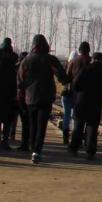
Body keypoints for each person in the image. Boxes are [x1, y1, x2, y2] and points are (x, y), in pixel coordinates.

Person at [18, 34, 65, 164]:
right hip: (46, 97)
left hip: (30, 97)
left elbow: (20, 80)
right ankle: (37, 151)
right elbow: (61, 74)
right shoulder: (50, 60)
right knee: (41, 125)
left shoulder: (26, 61)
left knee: (32, 124)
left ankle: (33, 148)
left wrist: (23, 90)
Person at [69, 51, 102, 159]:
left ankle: (74, 148)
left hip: (81, 101)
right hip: (95, 103)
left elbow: (75, 84)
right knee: (92, 128)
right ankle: (90, 152)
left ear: (92, 59)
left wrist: (78, 94)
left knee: (78, 126)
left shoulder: (84, 70)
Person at [59, 41, 90, 143]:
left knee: (67, 115)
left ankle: (65, 136)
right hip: (79, 94)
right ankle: (77, 138)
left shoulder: (72, 62)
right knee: (76, 117)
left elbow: (66, 79)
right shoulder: (88, 61)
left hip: (67, 93)